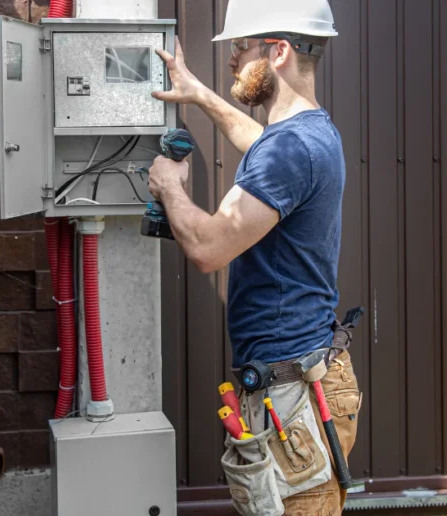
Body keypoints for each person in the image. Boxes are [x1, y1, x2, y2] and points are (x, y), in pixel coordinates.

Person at [146, 0, 362, 513]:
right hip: (302, 378)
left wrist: (170, 189)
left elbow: (207, 248)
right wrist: (198, 94)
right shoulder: (309, 135)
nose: (232, 61)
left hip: (292, 394)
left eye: (240, 49)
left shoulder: (290, 150)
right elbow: (260, 144)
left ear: (279, 51)